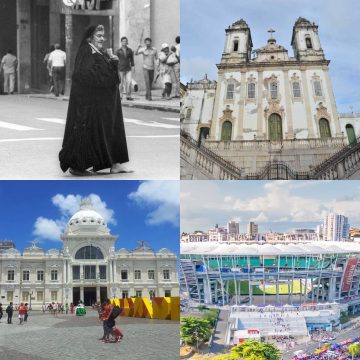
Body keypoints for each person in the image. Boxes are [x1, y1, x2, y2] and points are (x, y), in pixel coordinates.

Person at [59, 24, 130, 176]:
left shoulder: (98, 51)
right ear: (90, 37)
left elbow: (106, 74)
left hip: (105, 103)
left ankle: (115, 163)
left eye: (103, 36)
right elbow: (84, 75)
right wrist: (108, 64)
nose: (102, 39)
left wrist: (112, 62)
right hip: (89, 104)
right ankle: (77, 166)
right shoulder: (86, 50)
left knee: (111, 131)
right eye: (99, 36)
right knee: (88, 132)